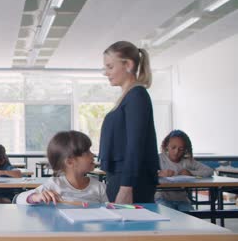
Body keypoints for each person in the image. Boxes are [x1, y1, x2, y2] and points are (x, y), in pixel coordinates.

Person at [99, 41, 160, 204]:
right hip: (121, 177)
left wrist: (126, 188)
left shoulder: (137, 96)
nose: (106, 73)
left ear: (128, 65)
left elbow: (135, 145)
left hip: (130, 181)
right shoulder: (128, 96)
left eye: (110, 67)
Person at [16, 131, 108, 205]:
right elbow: (19, 199)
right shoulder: (54, 185)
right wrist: (35, 197)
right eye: (87, 152)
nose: (93, 155)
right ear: (69, 161)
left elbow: (109, 212)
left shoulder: (100, 187)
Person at [155, 130, 213, 211]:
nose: (176, 152)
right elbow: (145, 172)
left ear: (185, 149)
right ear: (166, 146)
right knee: (169, 215)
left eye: (181, 149)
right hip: (162, 198)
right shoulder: (159, 159)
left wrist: (191, 173)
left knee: (191, 217)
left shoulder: (187, 161)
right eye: (173, 147)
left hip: (182, 200)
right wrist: (159, 173)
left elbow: (209, 171)